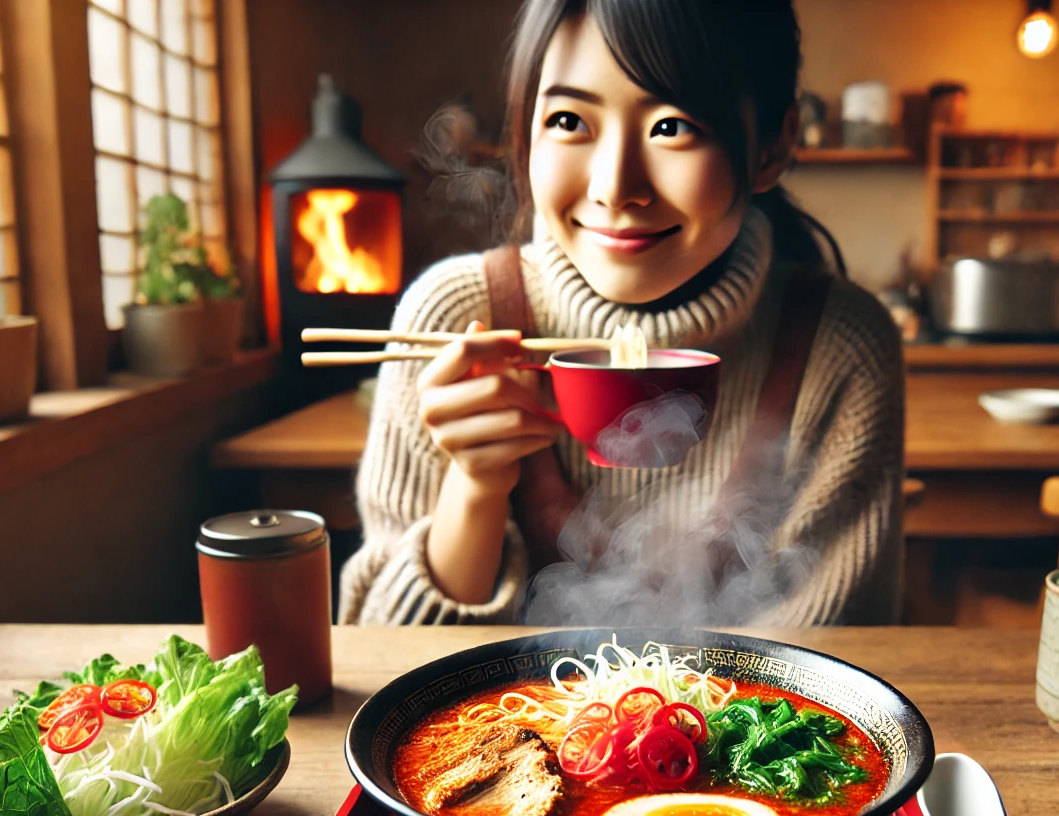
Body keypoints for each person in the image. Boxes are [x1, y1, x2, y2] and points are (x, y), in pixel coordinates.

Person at [340, 0, 904, 626]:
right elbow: (386, 662)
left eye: (671, 126)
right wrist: (474, 489)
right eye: (567, 119)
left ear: (772, 147)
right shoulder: (454, 317)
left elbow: (833, 674)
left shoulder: (838, 344)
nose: (614, 186)